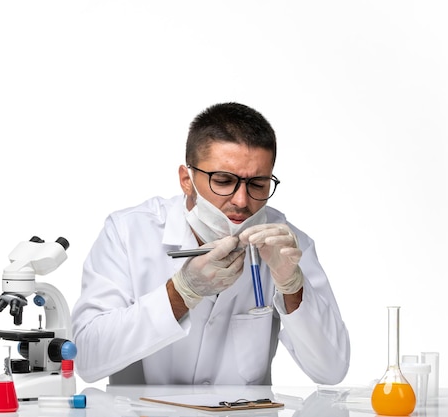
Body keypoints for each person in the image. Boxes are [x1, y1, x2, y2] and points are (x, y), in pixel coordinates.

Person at [71, 102, 350, 386]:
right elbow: (87, 359)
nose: (242, 201)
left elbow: (331, 370)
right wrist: (182, 292)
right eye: (224, 181)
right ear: (186, 180)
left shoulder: (287, 244)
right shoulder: (129, 233)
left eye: (258, 184)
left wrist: (292, 286)